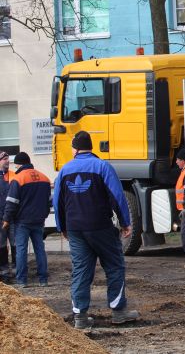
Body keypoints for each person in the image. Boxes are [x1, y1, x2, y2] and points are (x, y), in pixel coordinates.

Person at [53, 131, 139, 329]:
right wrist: (126, 223)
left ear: (74, 148)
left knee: (81, 271)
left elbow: (58, 203)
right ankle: (118, 312)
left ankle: (80, 318)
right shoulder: (102, 166)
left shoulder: (65, 170)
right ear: (91, 147)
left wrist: (62, 227)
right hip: (100, 226)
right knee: (114, 266)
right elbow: (117, 197)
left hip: (75, 229)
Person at [2, 152, 50, 288]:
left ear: (19, 164)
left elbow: (11, 202)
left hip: (22, 221)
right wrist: (44, 214)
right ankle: (43, 279)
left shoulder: (18, 178)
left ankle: (22, 280)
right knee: (40, 249)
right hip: (39, 220)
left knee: (21, 250)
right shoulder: (44, 178)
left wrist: (6, 219)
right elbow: (47, 201)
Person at [0, 152, 13, 282]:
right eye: (4, 159)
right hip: (1, 218)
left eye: (8, 159)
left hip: (13, 217)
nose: (7, 161)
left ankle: (16, 270)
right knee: (2, 245)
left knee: (15, 244)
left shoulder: (13, 175)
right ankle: (4, 272)